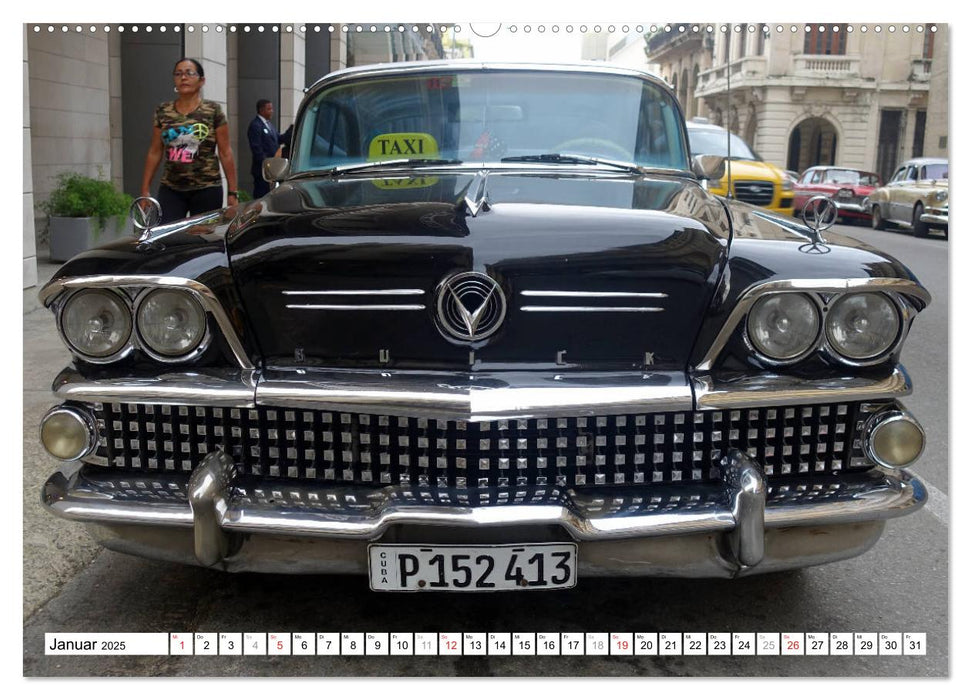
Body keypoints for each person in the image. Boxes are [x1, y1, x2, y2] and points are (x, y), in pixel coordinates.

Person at [140, 58, 238, 224]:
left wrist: (233, 192)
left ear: (202, 81)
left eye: (189, 73)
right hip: (171, 187)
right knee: (167, 236)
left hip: (206, 188)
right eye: (178, 74)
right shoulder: (163, 111)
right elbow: (155, 151)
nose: (183, 77)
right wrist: (145, 190)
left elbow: (225, 152)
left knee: (203, 240)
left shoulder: (213, 110)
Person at [248, 99, 279, 198]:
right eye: (269, 109)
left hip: (272, 171)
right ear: (261, 110)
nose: (272, 111)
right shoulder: (255, 125)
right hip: (262, 171)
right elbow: (257, 150)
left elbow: (279, 138)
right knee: (261, 198)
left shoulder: (269, 125)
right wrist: (267, 167)